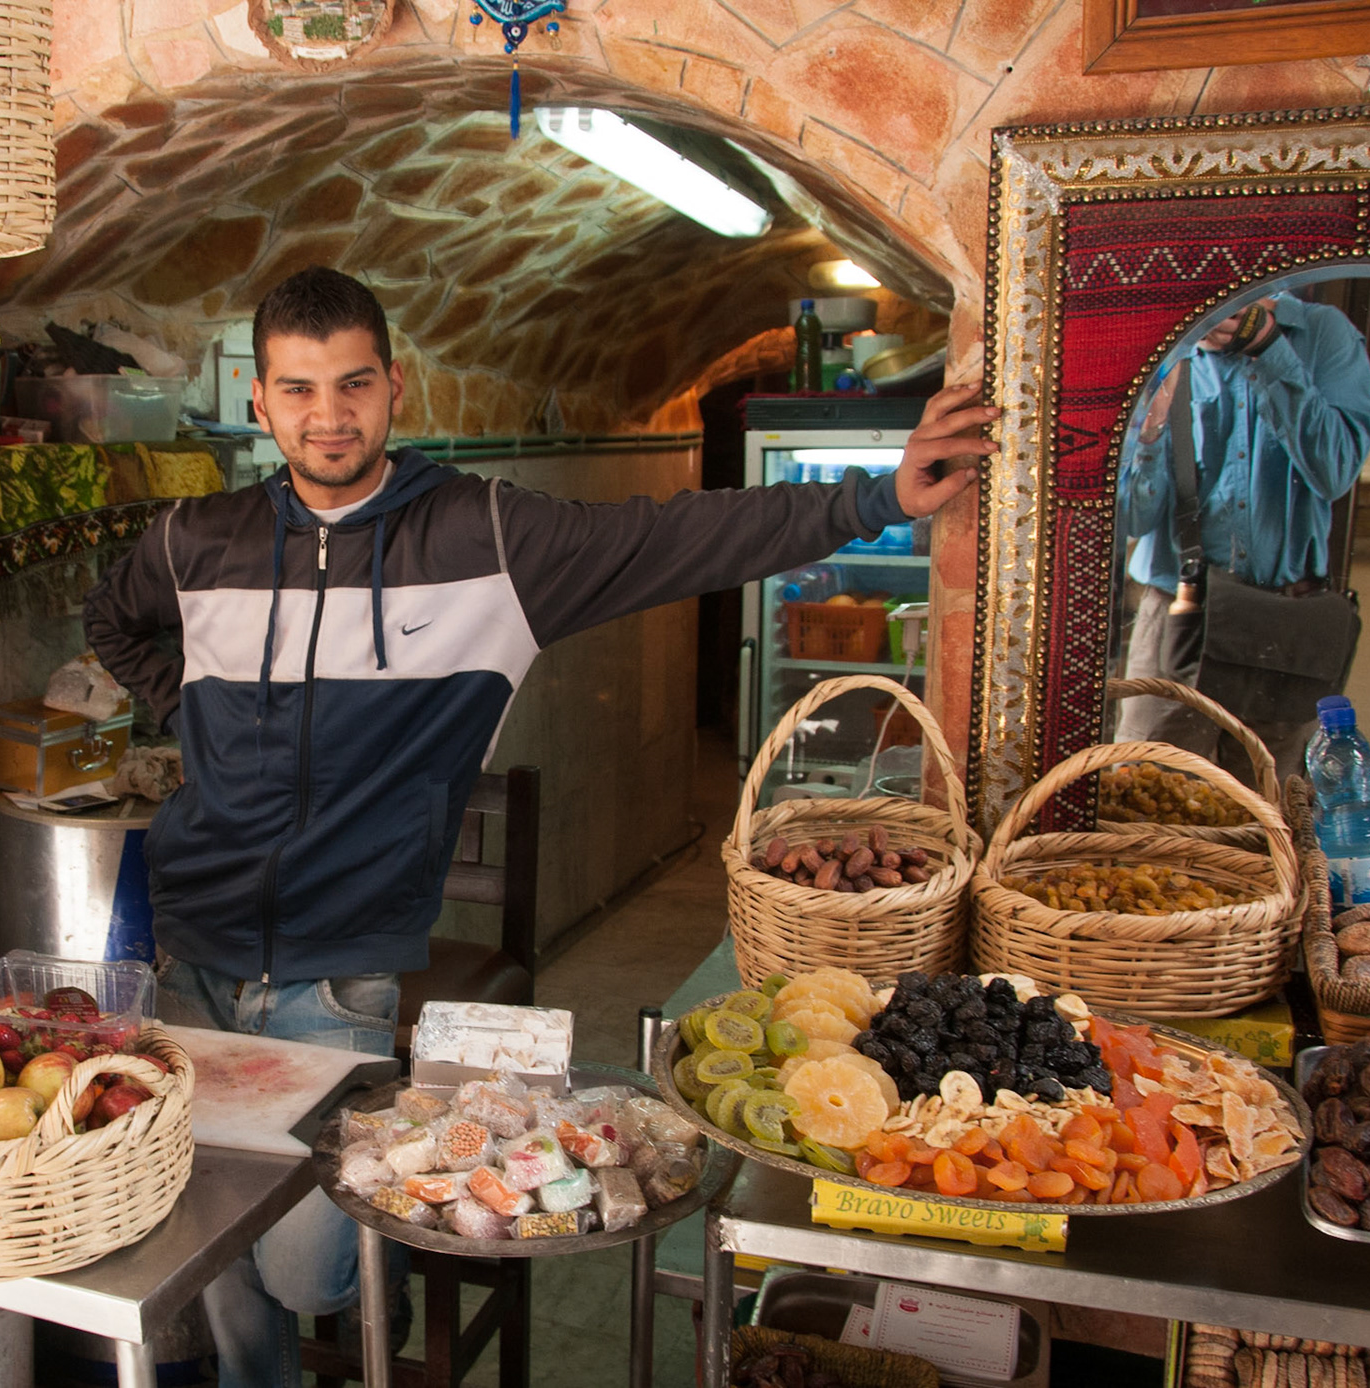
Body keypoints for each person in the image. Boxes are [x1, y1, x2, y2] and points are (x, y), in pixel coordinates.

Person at [82, 266, 994, 1388]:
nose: (330, 414)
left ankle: (386, 1262)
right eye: (300, 388)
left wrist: (874, 498)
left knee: (310, 1268)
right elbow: (112, 618)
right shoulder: (193, 540)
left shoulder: (489, 538)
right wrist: (193, 710)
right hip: (193, 950)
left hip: (340, 966)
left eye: (354, 383)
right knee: (207, 1237)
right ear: (261, 402)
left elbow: (675, 536)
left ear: (395, 388)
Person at [1115, 292, 1370, 781]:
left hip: (1283, 614)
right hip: (1174, 609)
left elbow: (1335, 472)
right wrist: (1149, 431)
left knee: (1266, 805)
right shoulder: (1161, 333)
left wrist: (1269, 348)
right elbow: (1130, 519)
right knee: (1141, 793)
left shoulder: (1323, 334)